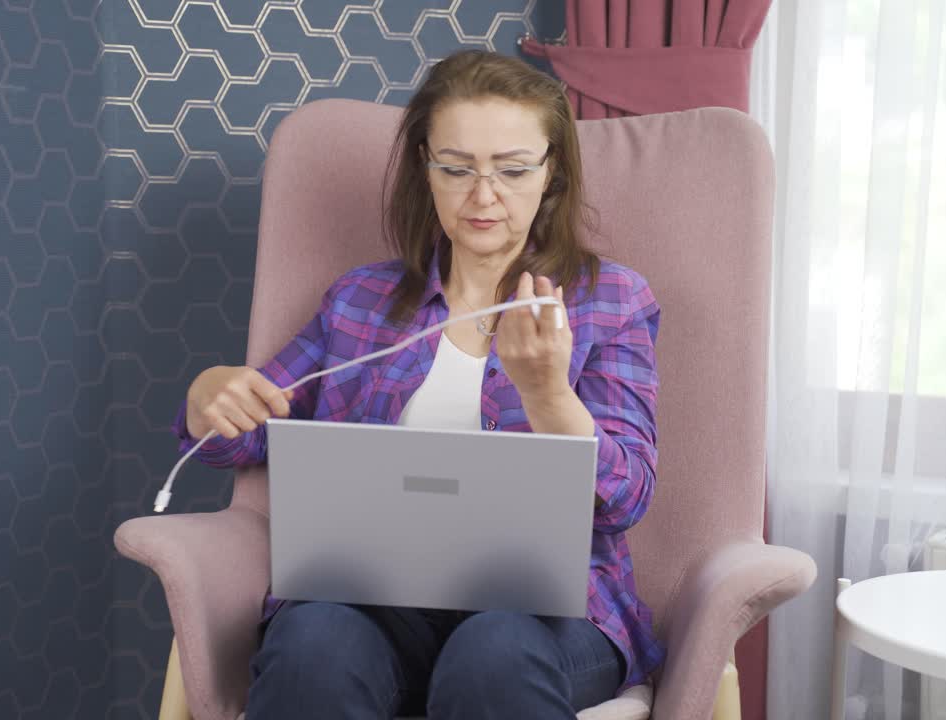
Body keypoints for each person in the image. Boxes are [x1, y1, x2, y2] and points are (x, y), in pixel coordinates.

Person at [175, 49, 664, 720]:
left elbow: (627, 497)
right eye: (456, 168)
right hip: (376, 606)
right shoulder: (361, 301)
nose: (483, 195)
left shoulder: (611, 301)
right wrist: (211, 395)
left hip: (546, 622)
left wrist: (548, 394)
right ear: (424, 170)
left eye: (513, 170)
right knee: (311, 641)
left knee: (493, 654)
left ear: (551, 176)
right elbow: (248, 430)